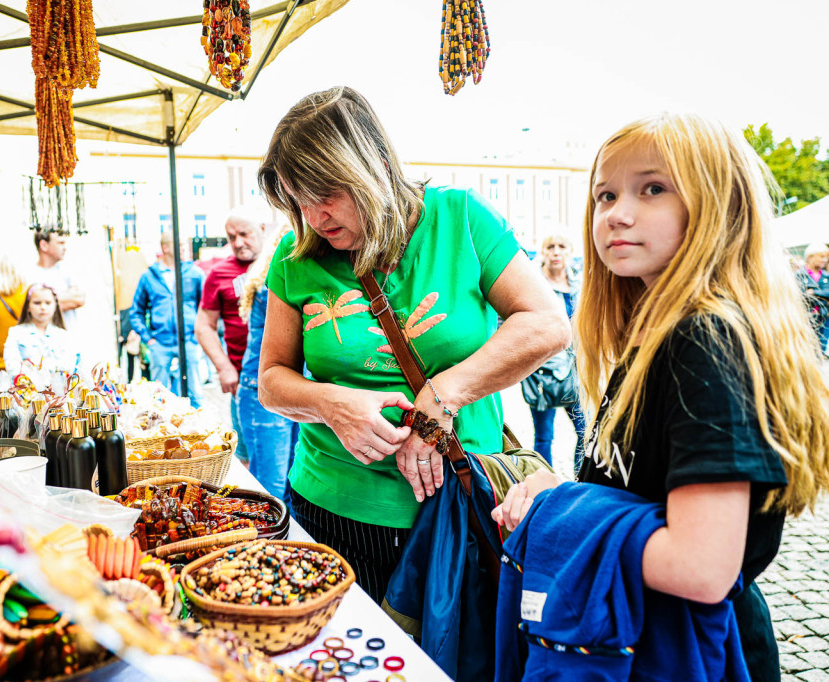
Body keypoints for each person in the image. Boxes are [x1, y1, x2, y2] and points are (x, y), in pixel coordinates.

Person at [492, 113, 829, 681]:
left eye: (653, 188)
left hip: (694, 652)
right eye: (605, 194)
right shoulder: (652, 332)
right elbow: (634, 491)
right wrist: (564, 488)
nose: (616, 213)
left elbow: (702, 567)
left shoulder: (705, 340)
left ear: (718, 206)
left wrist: (557, 511)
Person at [255, 87, 570, 601]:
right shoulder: (295, 257)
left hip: (459, 504)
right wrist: (333, 404)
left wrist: (440, 399)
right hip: (329, 508)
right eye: (299, 199)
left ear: (374, 165)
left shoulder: (461, 219)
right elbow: (271, 381)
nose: (314, 217)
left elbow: (547, 324)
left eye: (327, 193)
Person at [196, 205, 272, 464]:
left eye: (244, 233)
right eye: (231, 237)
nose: (238, 243)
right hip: (244, 382)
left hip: (286, 381)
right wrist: (223, 367)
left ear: (262, 229)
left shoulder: (281, 265)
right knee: (248, 458)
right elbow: (204, 325)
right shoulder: (218, 273)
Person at [237, 225, 298, 504]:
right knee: (270, 489)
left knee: (289, 483)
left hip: (292, 388)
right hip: (262, 392)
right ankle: (262, 546)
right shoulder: (271, 288)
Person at [526, 232, 586, 470]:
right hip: (543, 374)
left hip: (575, 373)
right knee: (544, 437)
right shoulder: (533, 284)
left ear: (570, 252)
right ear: (544, 252)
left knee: (585, 434)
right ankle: (546, 489)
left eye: (562, 246)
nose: (556, 252)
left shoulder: (578, 285)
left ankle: (581, 483)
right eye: (550, 246)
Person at [130, 231, 205, 406]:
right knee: (160, 397)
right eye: (179, 245)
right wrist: (149, 340)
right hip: (160, 344)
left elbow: (206, 308)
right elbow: (136, 312)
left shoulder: (194, 274)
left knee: (194, 393)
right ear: (166, 247)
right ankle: (165, 431)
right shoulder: (149, 276)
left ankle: (198, 431)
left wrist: (196, 337)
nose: (184, 249)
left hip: (188, 342)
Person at [3, 283, 78, 378]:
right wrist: (53, 366)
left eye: (48, 303)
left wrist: (31, 364)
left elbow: (69, 367)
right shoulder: (16, 333)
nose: (43, 307)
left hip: (58, 391)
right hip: (26, 391)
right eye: (37, 303)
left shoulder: (64, 336)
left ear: (55, 306)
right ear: (28, 307)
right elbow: (13, 369)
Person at [30, 226, 84, 329]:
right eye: (60, 243)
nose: (65, 247)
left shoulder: (68, 271)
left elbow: (79, 299)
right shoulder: (30, 275)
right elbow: (28, 309)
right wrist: (65, 298)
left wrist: (42, 302)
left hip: (67, 338)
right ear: (44, 245)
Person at [796, 242, 829, 356]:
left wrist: (813, 292)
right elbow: (800, 295)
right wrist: (823, 295)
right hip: (805, 318)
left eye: (826, 257)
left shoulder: (826, 276)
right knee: (806, 351)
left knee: (820, 351)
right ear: (810, 257)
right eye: (822, 256)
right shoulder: (799, 275)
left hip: (824, 318)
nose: (825, 260)